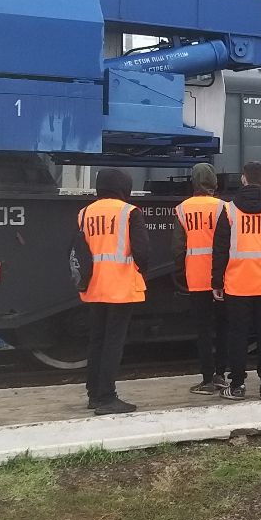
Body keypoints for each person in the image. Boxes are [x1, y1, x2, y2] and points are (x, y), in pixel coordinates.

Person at [212, 161, 261, 401]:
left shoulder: (229, 210)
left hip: (237, 284)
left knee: (238, 335)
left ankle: (236, 385)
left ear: (243, 179)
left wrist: (217, 282)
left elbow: (220, 249)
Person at [77, 168, 149, 415]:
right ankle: (108, 397)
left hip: (93, 286)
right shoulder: (129, 213)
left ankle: (94, 394)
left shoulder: (84, 213)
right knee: (113, 342)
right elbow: (142, 251)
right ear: (123, 187)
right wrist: (141, 270)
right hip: (119, 287)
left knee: (96, 340)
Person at [173, 163, 229, 395]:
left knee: (203, 330)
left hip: (196, 278)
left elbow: (177, 248)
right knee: (224, 327)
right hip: (223, 278)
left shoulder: (182, 209)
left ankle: (207, 379)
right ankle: (221, 375)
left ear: (193, 182)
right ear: (214, 183)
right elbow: (230, 242)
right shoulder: (224, 208)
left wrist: (180, 270)